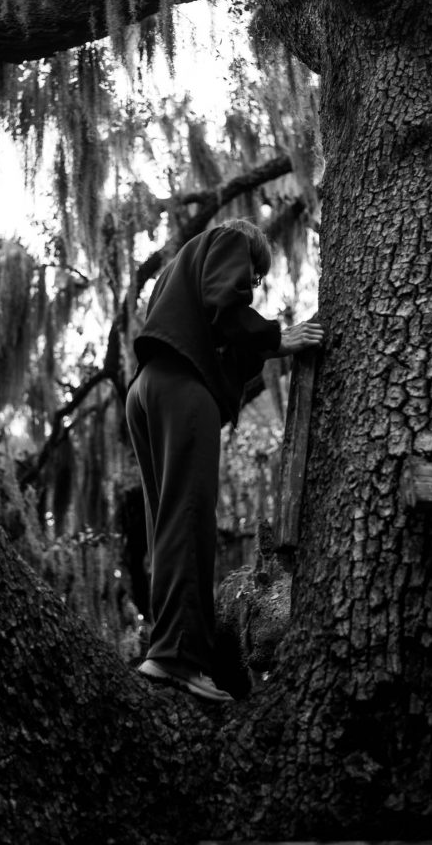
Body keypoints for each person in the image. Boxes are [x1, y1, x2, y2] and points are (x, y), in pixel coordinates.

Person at [125, 219, 324, 702]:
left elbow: (224, 335)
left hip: (147, 390)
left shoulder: (177, 275)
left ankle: (165, 647)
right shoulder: (232, 240)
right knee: (190, 518)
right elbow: (227, 307)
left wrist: (267, 349)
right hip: (181, 390)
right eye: (255, 277)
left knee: (168, 522)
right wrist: (278, 337)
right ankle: (177, 658)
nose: (252, 285)